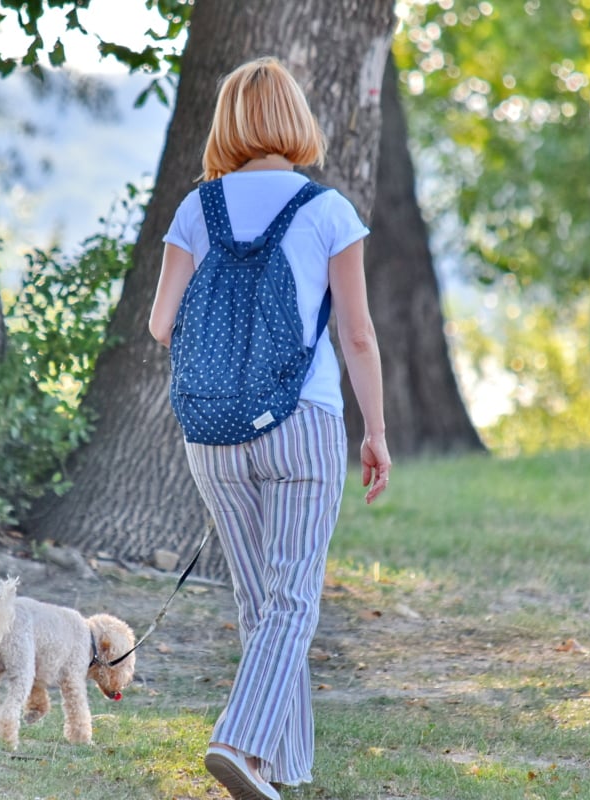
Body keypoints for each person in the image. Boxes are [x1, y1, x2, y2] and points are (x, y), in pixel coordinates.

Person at [148, 56, 392, 800]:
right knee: (292, 601)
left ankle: (283, 770)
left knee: (263, 605)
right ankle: (238, 742)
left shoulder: (198, 209)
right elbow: (356, 335)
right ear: (295, 122)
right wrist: (375, 431)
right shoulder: (326, 211)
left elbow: (161, 326)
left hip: (213, 434)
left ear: (228, 125)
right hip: (302, 424)